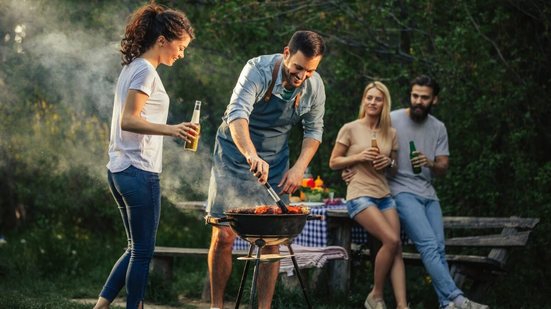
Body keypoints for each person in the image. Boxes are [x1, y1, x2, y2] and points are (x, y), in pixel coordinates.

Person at [205, 30, 326, 309]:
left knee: (273, 236)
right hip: (234, 154)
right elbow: (237, 116)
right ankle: (216, 305)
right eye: (297, 67)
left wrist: (298, 168)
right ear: (286, 53)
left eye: (309, 70)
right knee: (223, 234)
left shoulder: (314, 86)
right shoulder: (256, 69)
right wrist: (250, 154)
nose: (301, 76)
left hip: (275, 158)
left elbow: (314, 130)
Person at [346, 75, 488, 309]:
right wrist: (351, 169)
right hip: (400, 191)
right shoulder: (391, 120)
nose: (418, 101)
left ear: (435, 100)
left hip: (428, 193)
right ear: (410, 95)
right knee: (428, 245)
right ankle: (457, 297)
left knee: (439, 247)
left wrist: (430, 163)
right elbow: (360, 137)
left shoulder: (438, 127)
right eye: (415, 96)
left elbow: (443, 166)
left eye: (424, 97)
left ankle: (446, 303)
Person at [93, 3, 196, 309]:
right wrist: (173, 129)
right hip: (138, 170)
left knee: (134, 247)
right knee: (143, 251)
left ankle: (99, 307)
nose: (181, 54)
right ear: (162, 40)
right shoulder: (145, 71)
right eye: (180, 47)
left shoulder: (133, 67)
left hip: (120, 169)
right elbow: (129, 119)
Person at [330, 81, 409, 309]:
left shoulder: (391, 133)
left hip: (384, 194)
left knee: (396, 248)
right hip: (359, 195)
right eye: (369, 98)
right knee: (391, 239)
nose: (373, 102)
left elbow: (393, 169)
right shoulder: (350, 128)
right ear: (364, 100)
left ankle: (403, 305)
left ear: (385, 103)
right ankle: (376, 294)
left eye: (378, 99)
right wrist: (359, 157)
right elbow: (334, 162)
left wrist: (389, 161)